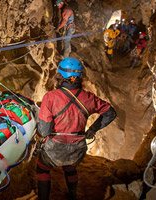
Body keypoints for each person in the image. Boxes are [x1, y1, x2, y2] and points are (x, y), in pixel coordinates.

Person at [36, 57, 117, 200]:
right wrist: (92, 130)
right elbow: (110, 112)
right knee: (70, 167)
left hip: (55, 148)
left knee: (42, 168)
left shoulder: (50, 97)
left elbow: (44, 131)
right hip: (77, 148)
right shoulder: (89, 97)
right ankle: (72, 195)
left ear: (59, 75)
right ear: (80, 77)